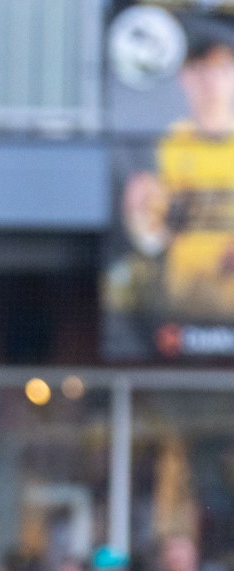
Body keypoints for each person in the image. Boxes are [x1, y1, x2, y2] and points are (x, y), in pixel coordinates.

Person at [107, 15, 234, 348]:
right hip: (179, 312)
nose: (211, 82)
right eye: (200, 70)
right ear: (185, 77)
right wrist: (139, 221)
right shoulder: (162, 148)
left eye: (221, 69)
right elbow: (149, 239)